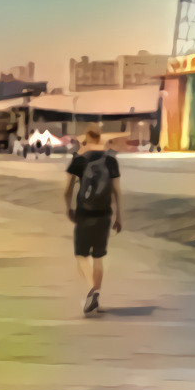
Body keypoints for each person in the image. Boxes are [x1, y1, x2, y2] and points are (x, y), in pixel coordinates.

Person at [64, 126, 122, 315]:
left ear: (86, 139)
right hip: (104, 214)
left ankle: (92, 291)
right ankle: (95, 294)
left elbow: (67, 190)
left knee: (81, 256)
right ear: (100, 139)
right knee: (98, 258)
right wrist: (118, 216)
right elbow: (117, 191)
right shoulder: (111, 160)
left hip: (84, 214)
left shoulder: (79, 160)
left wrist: (68, 208)